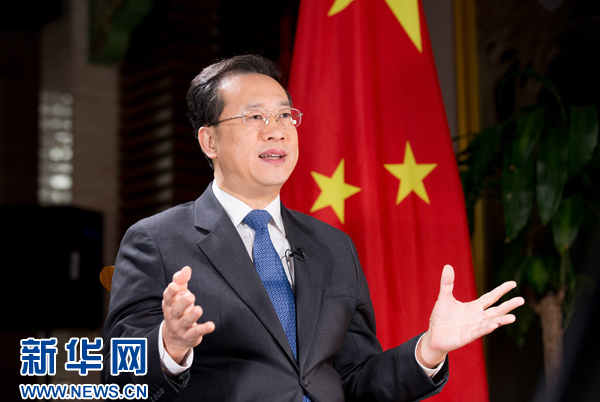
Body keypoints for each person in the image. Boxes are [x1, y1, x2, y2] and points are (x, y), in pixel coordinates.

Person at [102, 54, 524, 401]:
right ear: (209, 141)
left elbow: (354, 379)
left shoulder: (332, 245)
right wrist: (169, 345)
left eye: (285, 115)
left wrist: (428, 350)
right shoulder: (157, 240)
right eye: (254, 117)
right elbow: (117, 376)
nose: (276, 131)